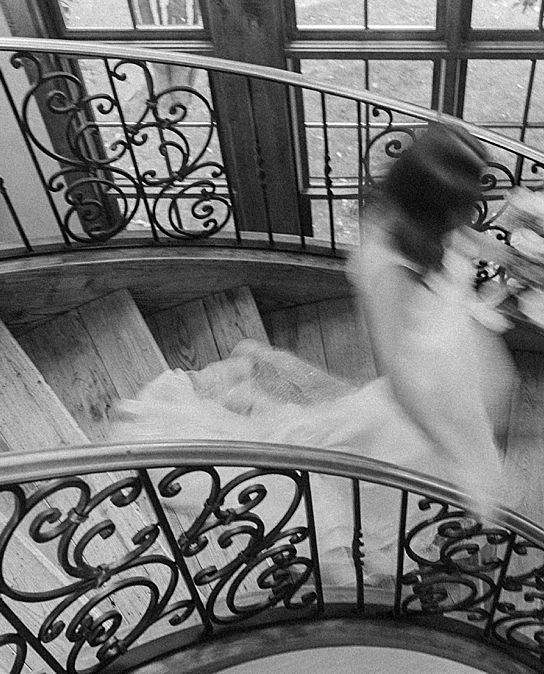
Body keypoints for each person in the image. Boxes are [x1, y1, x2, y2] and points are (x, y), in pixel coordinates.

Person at [106, 120, 516, 581]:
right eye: (459, 209)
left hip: (448, 377)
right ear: (432, 206)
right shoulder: (390, 274)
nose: (467, 219)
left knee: (420, 484)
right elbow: (402, 380)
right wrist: (455, 450)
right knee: (376, 493)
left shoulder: (413, 224)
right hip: (419, 411)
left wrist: (522, 254)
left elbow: (456, 250)